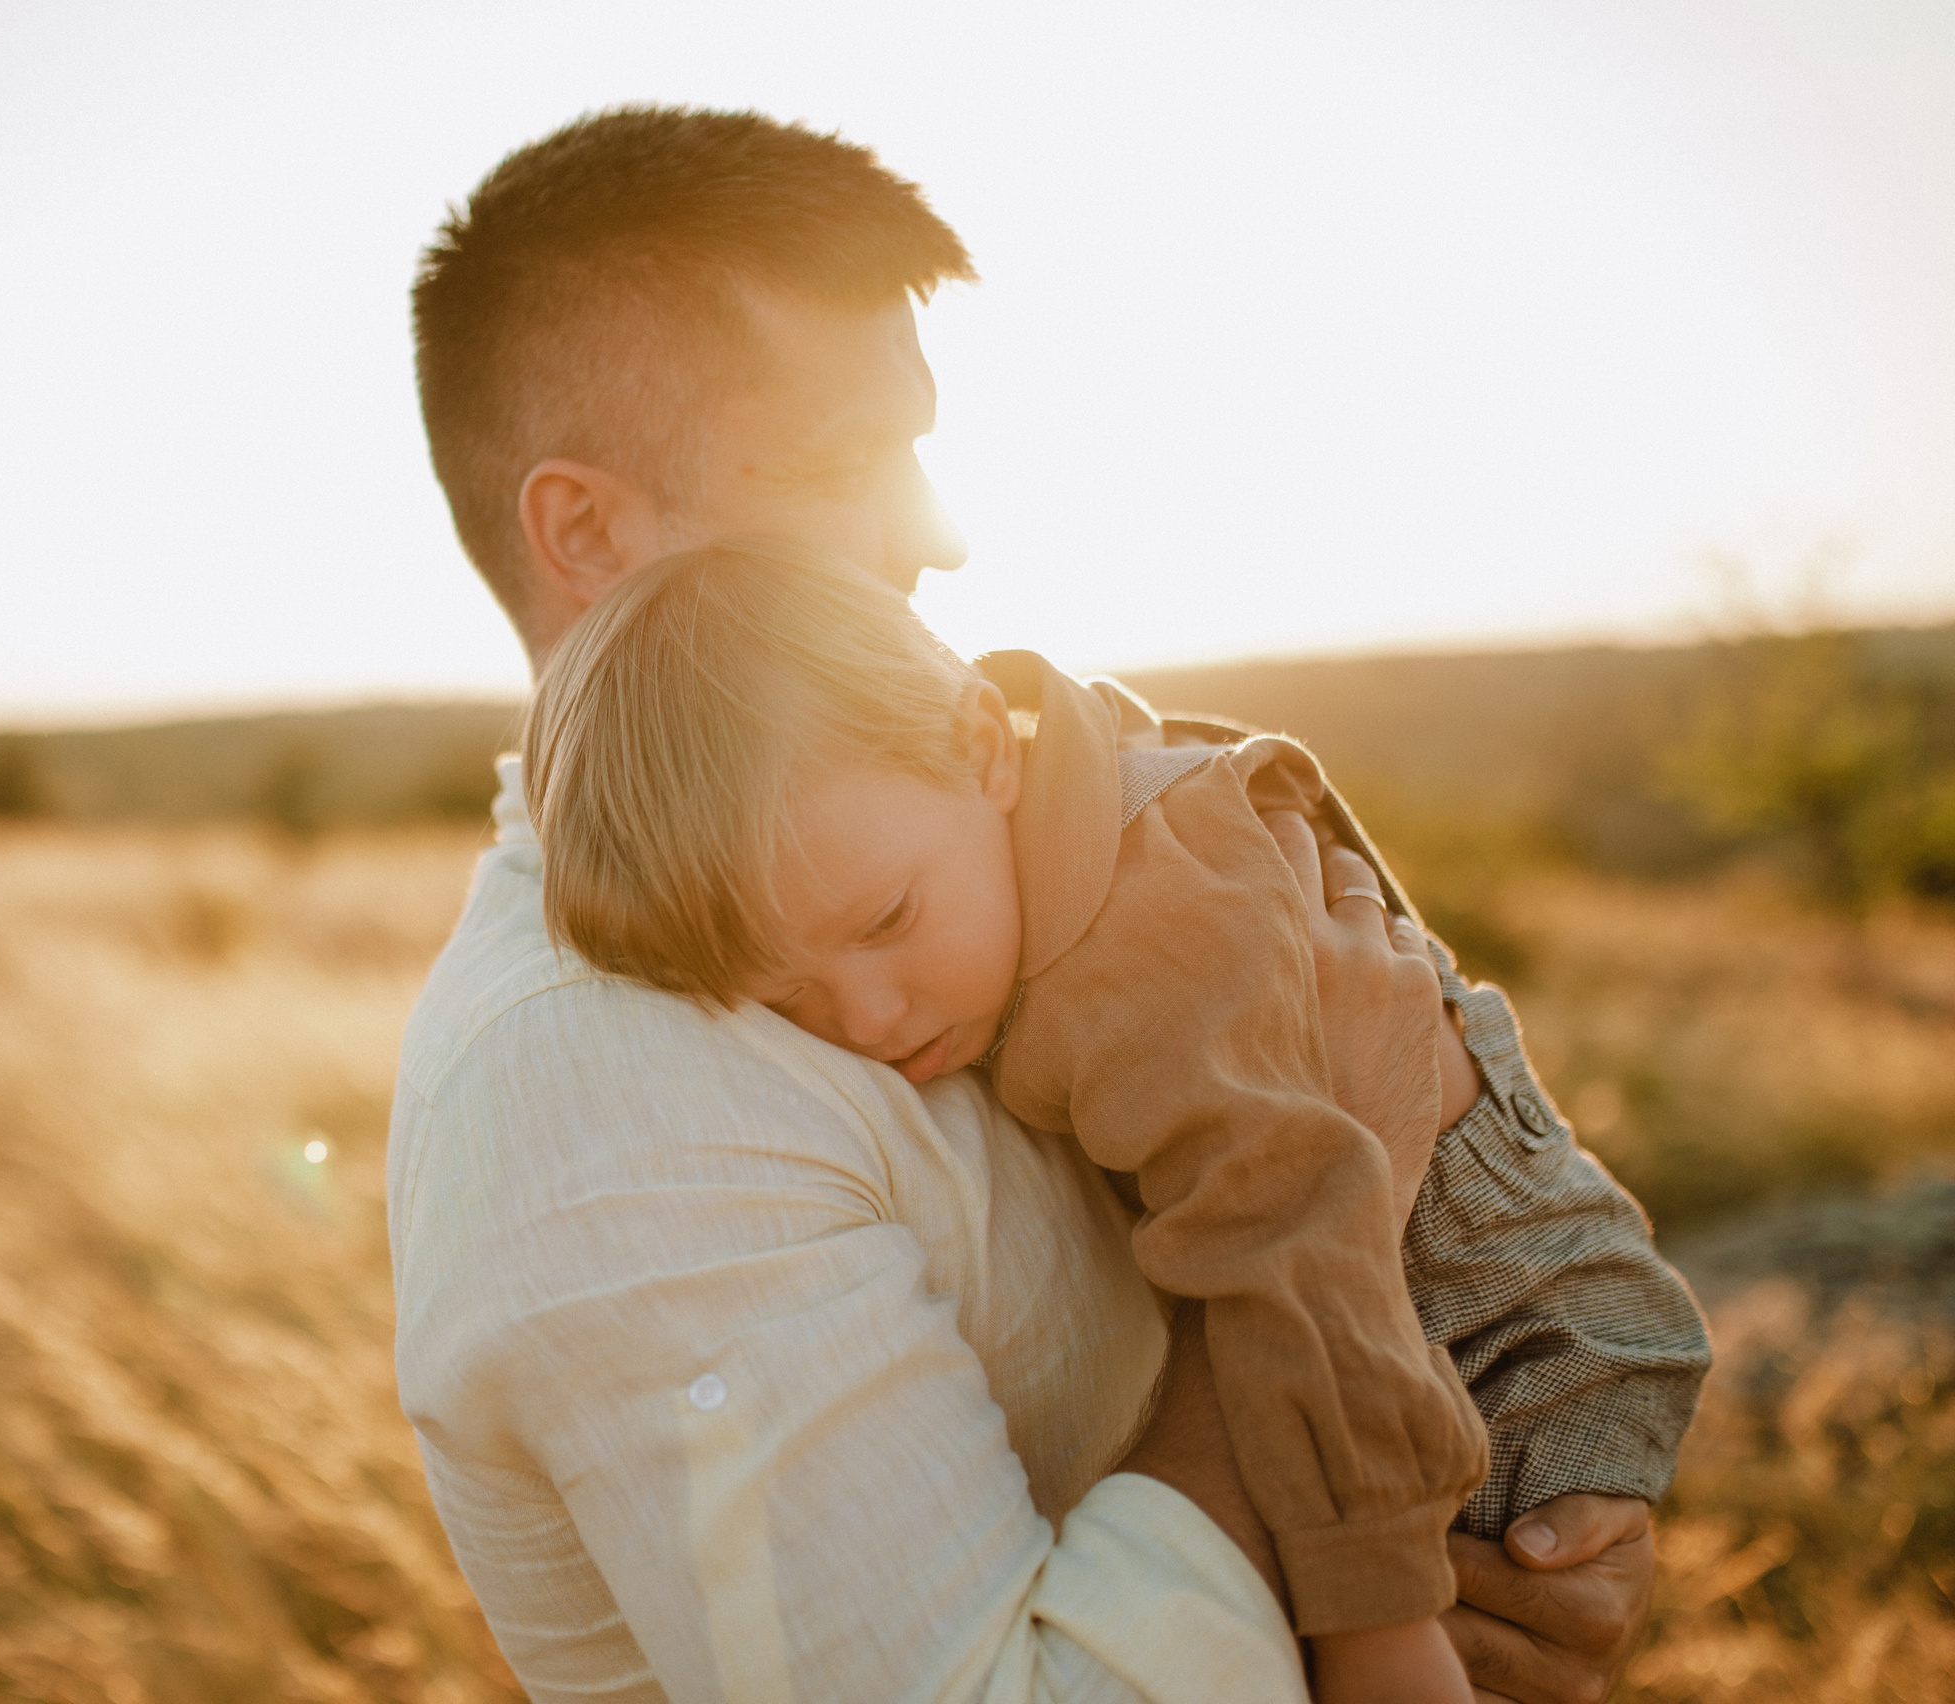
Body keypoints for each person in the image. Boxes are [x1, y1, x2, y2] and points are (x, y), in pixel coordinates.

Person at [394, 106, 1710, 1701]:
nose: (941, 536)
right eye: (840, 465)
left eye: (917, 449)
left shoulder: (963, 863)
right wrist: (1341, 1162)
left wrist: (1545, 1496)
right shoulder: (596, 1086)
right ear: (589, 531)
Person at [523, 540, 1499, 1700]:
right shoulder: (988, 854)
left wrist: (1378, 1621)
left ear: (985, 748)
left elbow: (1297, 1238)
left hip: (1503, 1297)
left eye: (886, 920)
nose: (866, 1019)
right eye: (783, 999)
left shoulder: (1147, 935)